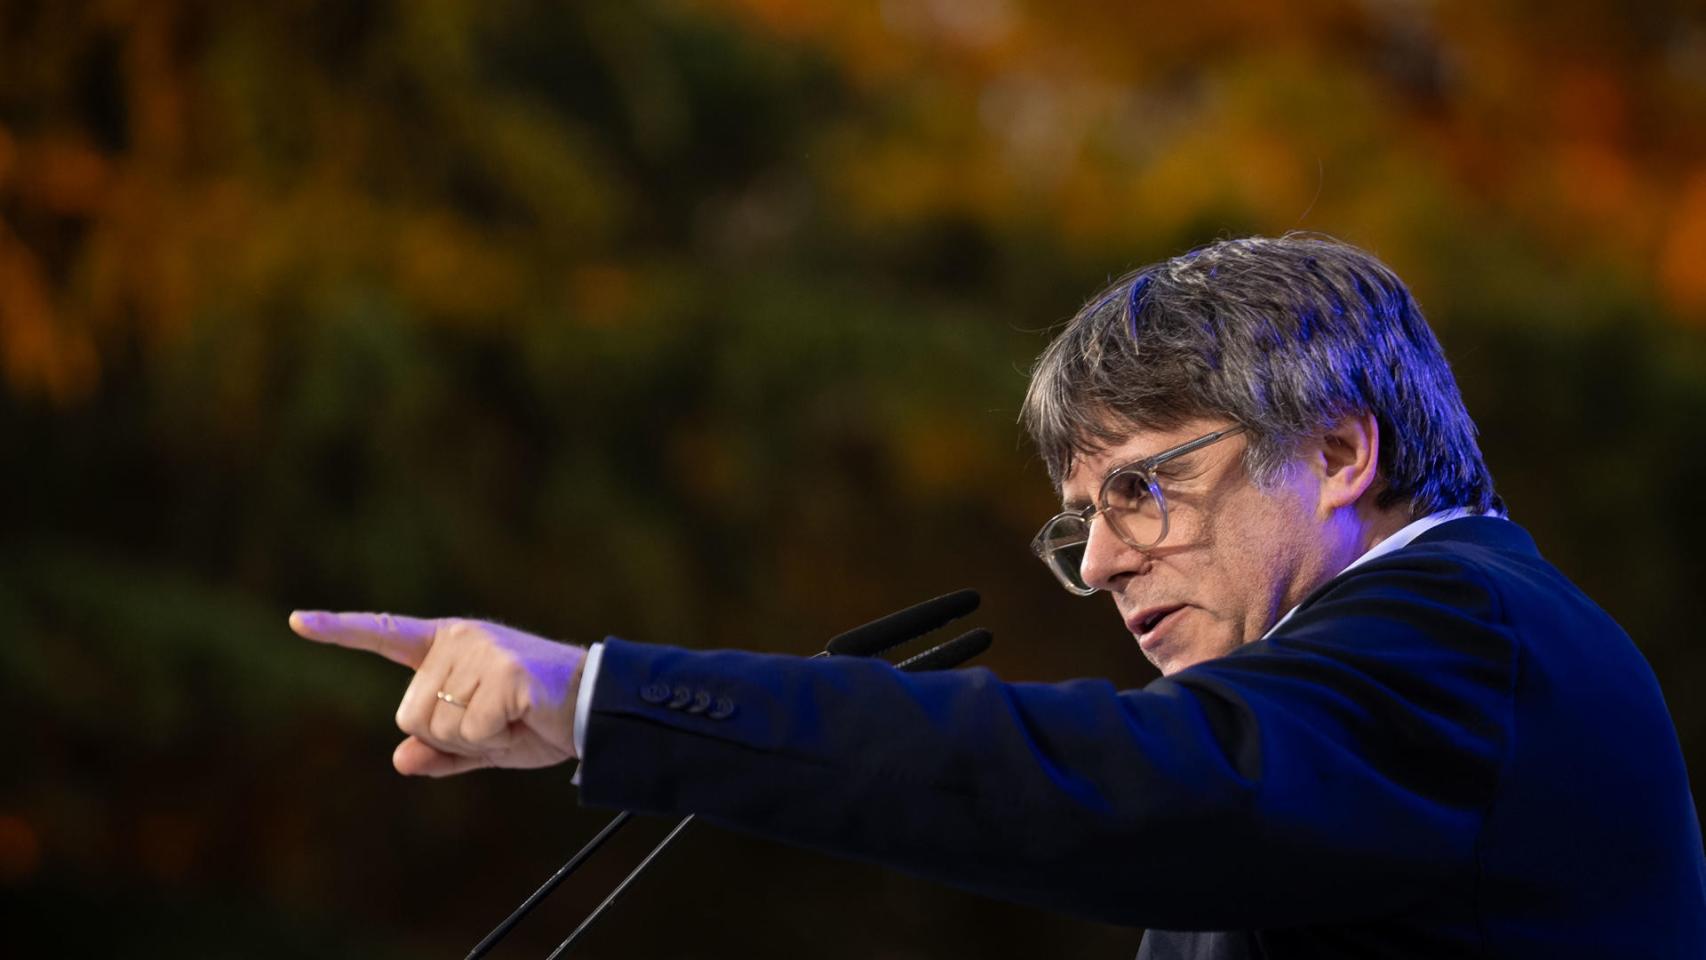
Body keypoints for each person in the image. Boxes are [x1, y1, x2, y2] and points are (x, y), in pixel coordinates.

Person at [290, 234, 1706, 958]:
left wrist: (599, 697)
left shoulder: (1466, 633)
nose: (1096, 564)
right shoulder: (1386, 684)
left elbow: (1118, 785)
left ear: (1339, 453)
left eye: (1140, 489)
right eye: (1077, 522)